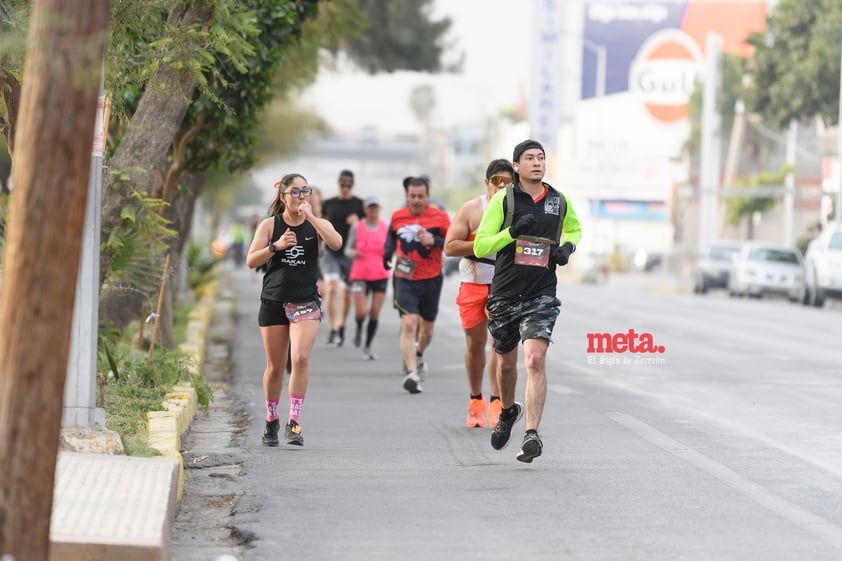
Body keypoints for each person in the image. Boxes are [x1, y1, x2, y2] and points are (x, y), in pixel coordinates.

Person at [473, 139, 582, 463]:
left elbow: (574, 229)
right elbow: (480, 246)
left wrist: (568, 249)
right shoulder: (504, 201)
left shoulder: (558, 201)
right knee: (506, 363)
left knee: (534, 359)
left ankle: (531, 434)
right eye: (530, 158)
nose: (537, 163)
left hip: (541, 292)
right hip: (505, 294)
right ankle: (508, 412)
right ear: (517, 166)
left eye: (541, 158)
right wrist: (512, 232)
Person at [246, 173, 342, 447]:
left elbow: (336, 243)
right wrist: (275, 247)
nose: (301, 196)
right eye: (296, 192)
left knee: (299, 358)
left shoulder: (317, 224)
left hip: (305, 302)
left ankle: (294, 422)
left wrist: (311, 217)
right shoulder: (269, 225)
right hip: (274, 301)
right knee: (275, 368)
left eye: (306, 191)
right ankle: (271, 418)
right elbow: (251, 260)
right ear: (283, 196)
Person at [444, 159, 513, 428]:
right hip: (473, 283)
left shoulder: (517, 210)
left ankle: (497, 403)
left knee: (499, 343)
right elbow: (450, 247)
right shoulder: (473, 209)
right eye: (497, 181)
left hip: (504, 286)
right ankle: (476, 400)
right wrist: (482, 245)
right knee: (475, 345)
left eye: (508, 183)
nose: (502, 187)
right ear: (487, 183)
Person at [384, 176, 451, 394]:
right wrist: (387, 252)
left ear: (428, 196)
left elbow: (452, 243)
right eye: (412, 196)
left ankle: (419, 353)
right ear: (407, 196)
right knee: (409, 323)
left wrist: (436, 242)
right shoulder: (397, 216)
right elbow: (391, 238)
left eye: (420, 196)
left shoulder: (440, 217)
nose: (416, 200)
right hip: (405, 276)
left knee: (427, 330)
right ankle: (412, 373)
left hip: (431, 277)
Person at [321, 170, 365, 347]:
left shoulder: (359, 205)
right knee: (331, 287)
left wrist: (358, 222)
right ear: (338, 184)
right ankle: (331, 328)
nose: (345, 188)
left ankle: (341, 325)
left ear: (352, 185)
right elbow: (321, 223)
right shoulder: (329, 204)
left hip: (350, 254)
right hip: (331, 252)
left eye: (349, 185)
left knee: (347, 293)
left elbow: (367, 228)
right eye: (343, 184)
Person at [344, 195, 391, 360]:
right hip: (360, 276)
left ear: (379, 209)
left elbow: (392, 248)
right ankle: (358, 327)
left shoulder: (386, 227)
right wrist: (353, 253)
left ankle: (368, 346)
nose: (373, 210)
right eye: (370, 207)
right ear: (365, 209)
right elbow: (347, 249)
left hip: (380, 275)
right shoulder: (357, 227)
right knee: (361, 311)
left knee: (374, 312)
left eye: (375, 207)